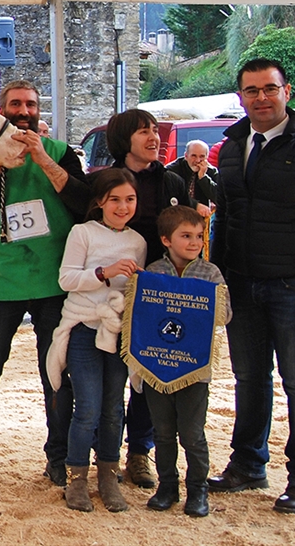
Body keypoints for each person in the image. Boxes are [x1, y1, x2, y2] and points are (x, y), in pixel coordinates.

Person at [0, 80, 89, 488]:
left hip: (53, 279)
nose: (23, 110)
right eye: (15, 104)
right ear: (2, 110)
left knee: (57, 372)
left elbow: (84, 205)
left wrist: (43, 158)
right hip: (1, 282)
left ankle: (59, 456)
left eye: (30, 104)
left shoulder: (62, 154)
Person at [88, 108, 195, 489]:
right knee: (110, 378)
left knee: (150, 377)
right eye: (144, 131)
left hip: (158, 296)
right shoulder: (103, 180)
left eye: (155, 130)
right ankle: (105, 455)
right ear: (123, 139)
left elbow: (186, 235)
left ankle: (139, 453)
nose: (154, 137)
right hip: (111, 295)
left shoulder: (173, 182)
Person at [209, 57, 295, 514]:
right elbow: (225, 215)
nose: (261, 98)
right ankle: (248, 465)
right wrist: (219, 274)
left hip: (289, 284)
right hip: (241, 282)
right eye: (252, 90)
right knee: (249, 379)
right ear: (240, 96)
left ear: (287, 91)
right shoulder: (231, 145)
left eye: (269, 89)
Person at [47, 168, 146, 512]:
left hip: (119, 332)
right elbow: (66, 279)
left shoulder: (138, 241)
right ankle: (77, 478)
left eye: (129, 199)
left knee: (113, 408)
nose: (122, 207)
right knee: (87, 406)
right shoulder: (82, 233)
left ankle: (108, 474)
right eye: (114, 199)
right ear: (100, 202)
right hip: (85, 326)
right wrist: (105, 273)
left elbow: (136, 290)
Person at [143, 205, 232, 518]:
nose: (194, 242)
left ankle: (198, 489)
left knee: (192, 433)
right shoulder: (152, 273)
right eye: (186, 236)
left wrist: (205, 302)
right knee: (163, 431)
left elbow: (225, 315)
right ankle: (167, 486)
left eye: (198, 235)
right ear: (167, 240)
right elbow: (140, 317)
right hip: (157, 366)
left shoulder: (211, 274)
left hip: (194, 368)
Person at [165, 139, 219, 208]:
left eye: (202, 156)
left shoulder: (211, 170)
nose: (197, 160)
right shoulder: (172, 170)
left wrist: (203, 178)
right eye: (194, 156)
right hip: (177, 214)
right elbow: (170, 197)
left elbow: (220, 198)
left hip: (202, 216)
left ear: (207, 158)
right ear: (186, 156)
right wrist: (195, 205)